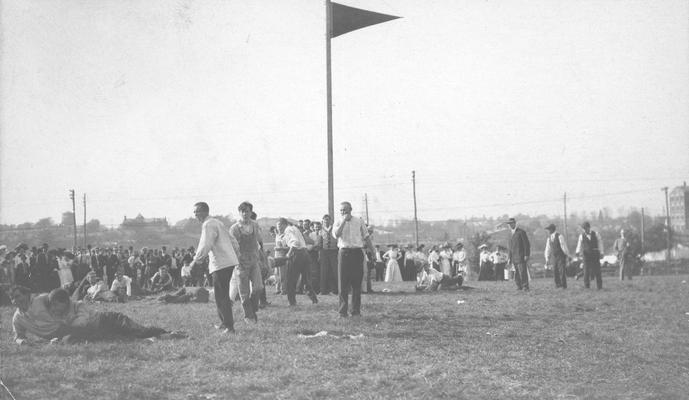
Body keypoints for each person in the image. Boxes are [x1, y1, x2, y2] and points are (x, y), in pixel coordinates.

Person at [188, 202, 240, 334]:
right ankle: (224, 323)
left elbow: (205, 244)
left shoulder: (208, 224)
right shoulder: (218, 222)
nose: (195, 215)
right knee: (219, 295)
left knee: (222, 295)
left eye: (196, 212)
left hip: (221, 263)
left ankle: (229, 326)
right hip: (227, 261)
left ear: (203, 211)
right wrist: (235, 254)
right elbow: (233, 240)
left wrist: (195, 261)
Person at [228, 202, 263, 322]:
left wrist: (260, 257)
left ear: (251, 212)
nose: (245, 213)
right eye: (242, 211)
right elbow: (232, 247)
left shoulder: (255, 225)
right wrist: (237, 261)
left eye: (247, 211)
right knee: (244, 292)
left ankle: (252, 310)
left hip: (254, 260)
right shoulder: (234, 228)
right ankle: (249, 316)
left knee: (258, 287)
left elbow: (258, 242)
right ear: (239, 213)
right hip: (241, 262)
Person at [333, 201, 369, 318]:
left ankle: (356, 311)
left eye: (345, 210)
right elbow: (337, 234)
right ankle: (342, 312)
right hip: (344, 253)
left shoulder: (359, 221)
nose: (343, 212)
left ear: (351, 209)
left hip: (357, 252)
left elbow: (366, 236)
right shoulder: (338, 222)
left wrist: (373, 250)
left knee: (356, 284)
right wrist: (344, 220)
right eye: (341, 210)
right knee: (342, 284)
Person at [276, 218, 318, 306]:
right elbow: (302, 242)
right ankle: (314, 299)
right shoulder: (295, 228)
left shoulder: (288, 230)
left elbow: (295, 243)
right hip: (305, 254)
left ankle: (292, 302)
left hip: (296, 255)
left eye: (279, 226)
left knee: (290, 279)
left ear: (284, 224)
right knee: (306, 279)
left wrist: (288, 254)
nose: (278, 228)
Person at [576, 221, 604, 290]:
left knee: (597, 270)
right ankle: (587, 286)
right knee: (586, 271)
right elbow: (579, 245)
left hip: (595, 254)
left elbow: (600, 243)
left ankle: (599, 287)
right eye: (583, 229)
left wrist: (601, 252)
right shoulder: (581, 236)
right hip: (586, 255)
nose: (584, 230)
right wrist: (577, 251)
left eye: (585, 228)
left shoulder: (596, 234)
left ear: (589, 228)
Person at [316, 214, 339, 295]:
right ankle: (323, 290)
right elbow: (319, 244)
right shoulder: (320, 231)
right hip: (324, 252)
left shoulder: (334, 229)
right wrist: (319, 254)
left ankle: (336, 290)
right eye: (325, 220)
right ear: (322, 221)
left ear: (331, 221)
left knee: (335, 271)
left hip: (334, 252)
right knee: (323, 271)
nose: (326, 221)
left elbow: (338, 241)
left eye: (328, 219)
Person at [506, 218, 531, 291]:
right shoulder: (510, 234)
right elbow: (510, 248)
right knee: (516, 273)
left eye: (511, 223)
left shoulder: (521, 232)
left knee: (522, 271)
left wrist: (526, 254)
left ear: (514, 223)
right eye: (509, 224)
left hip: (521, 256)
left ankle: (525, 286)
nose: (510, 225)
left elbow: (526, 244)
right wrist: (509, 258)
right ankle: (519, 286)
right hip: (514, 257)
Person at [544, 223, 570, 289]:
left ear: (552, 229)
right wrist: (547, 258)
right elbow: (547, 249)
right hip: (554, 257)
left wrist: (567, 255)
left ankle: (564, 285)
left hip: (561, 256)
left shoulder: (559, 236)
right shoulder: (549, 238)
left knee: (562, 271)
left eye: (549, 229)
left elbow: (563, 246)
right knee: (555, 270)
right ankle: (558, 284)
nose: (548, 231)